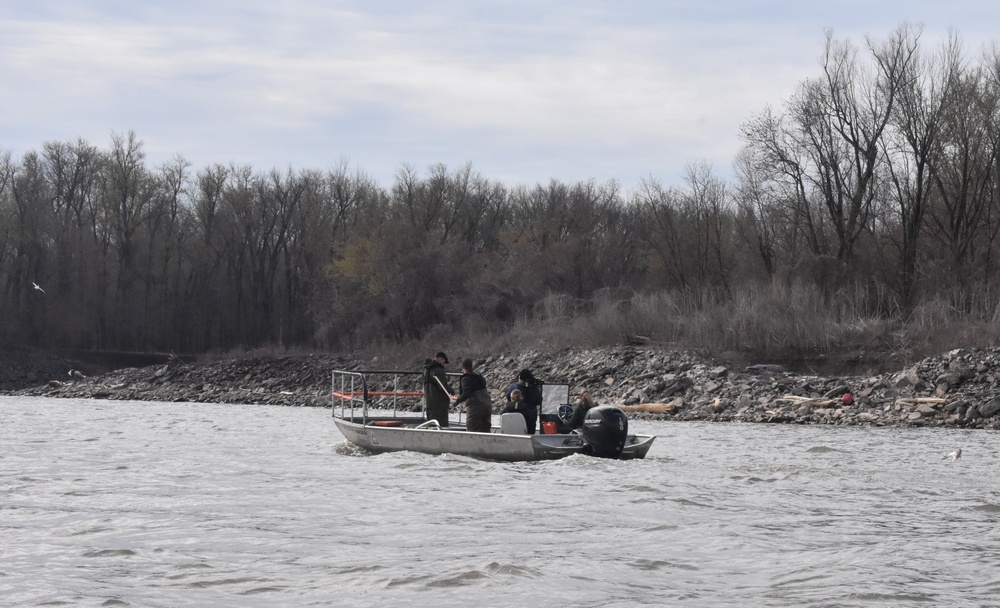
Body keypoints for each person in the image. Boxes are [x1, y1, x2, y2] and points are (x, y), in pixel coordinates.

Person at [454, 358, 493, 433]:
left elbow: (467, 392)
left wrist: (457, 401)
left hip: (475, 409)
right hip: (487, 407)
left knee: (473, 431)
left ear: (462, 367)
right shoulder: (480, 377)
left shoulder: (465, 378)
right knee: (486, 430)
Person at [503, 369, 541, 434]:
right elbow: (538, 401)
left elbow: (508, 397)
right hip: (530, 421)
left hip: (512, 422)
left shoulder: (514, 387)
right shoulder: (534, 389)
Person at [422, 351, 452, 427]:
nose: (444, 364)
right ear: (441, 359)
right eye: (444, 361)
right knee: (442, 427)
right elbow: (442, 387)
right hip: (440, 405)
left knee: (432, 427)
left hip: (429, 403)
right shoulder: (439, 370)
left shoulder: (427, 370)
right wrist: (452, 391)